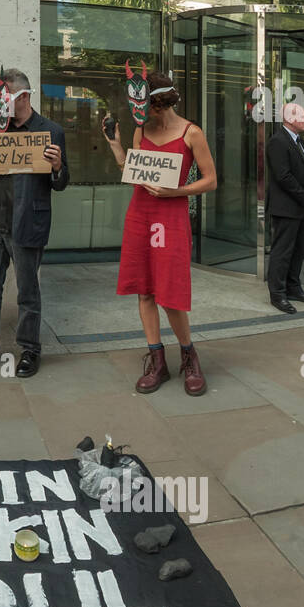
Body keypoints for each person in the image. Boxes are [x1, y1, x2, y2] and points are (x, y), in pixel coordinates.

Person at [103, 71, 217, 395]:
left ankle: (188, 355)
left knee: (170, 294)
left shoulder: (192, 133)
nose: (141, 115)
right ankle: (157, 361)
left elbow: (211, 180)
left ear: (159, 103)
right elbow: (133, 171)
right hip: (141, 214)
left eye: (146, 108)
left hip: (171, 215)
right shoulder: (141, 130)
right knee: (145, 290)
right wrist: (115, 146)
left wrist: (177, 191)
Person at [0, 68, 68, 379]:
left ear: (24, 96)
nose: (0, 105)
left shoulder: (51, 131)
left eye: (5, 99)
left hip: (27, 224)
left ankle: (30, 349)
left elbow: (61, 183)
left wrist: (57, 167)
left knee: (28, 292)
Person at [265, 102, 304, 314]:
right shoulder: (278, 142)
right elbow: (283, 176)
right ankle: (277, 294)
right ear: (289, 118)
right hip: (286, 206)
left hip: (300, 205)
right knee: (283, 251)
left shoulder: (297, 140)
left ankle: (293, 287)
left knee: (298, 249)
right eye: (303, 116)